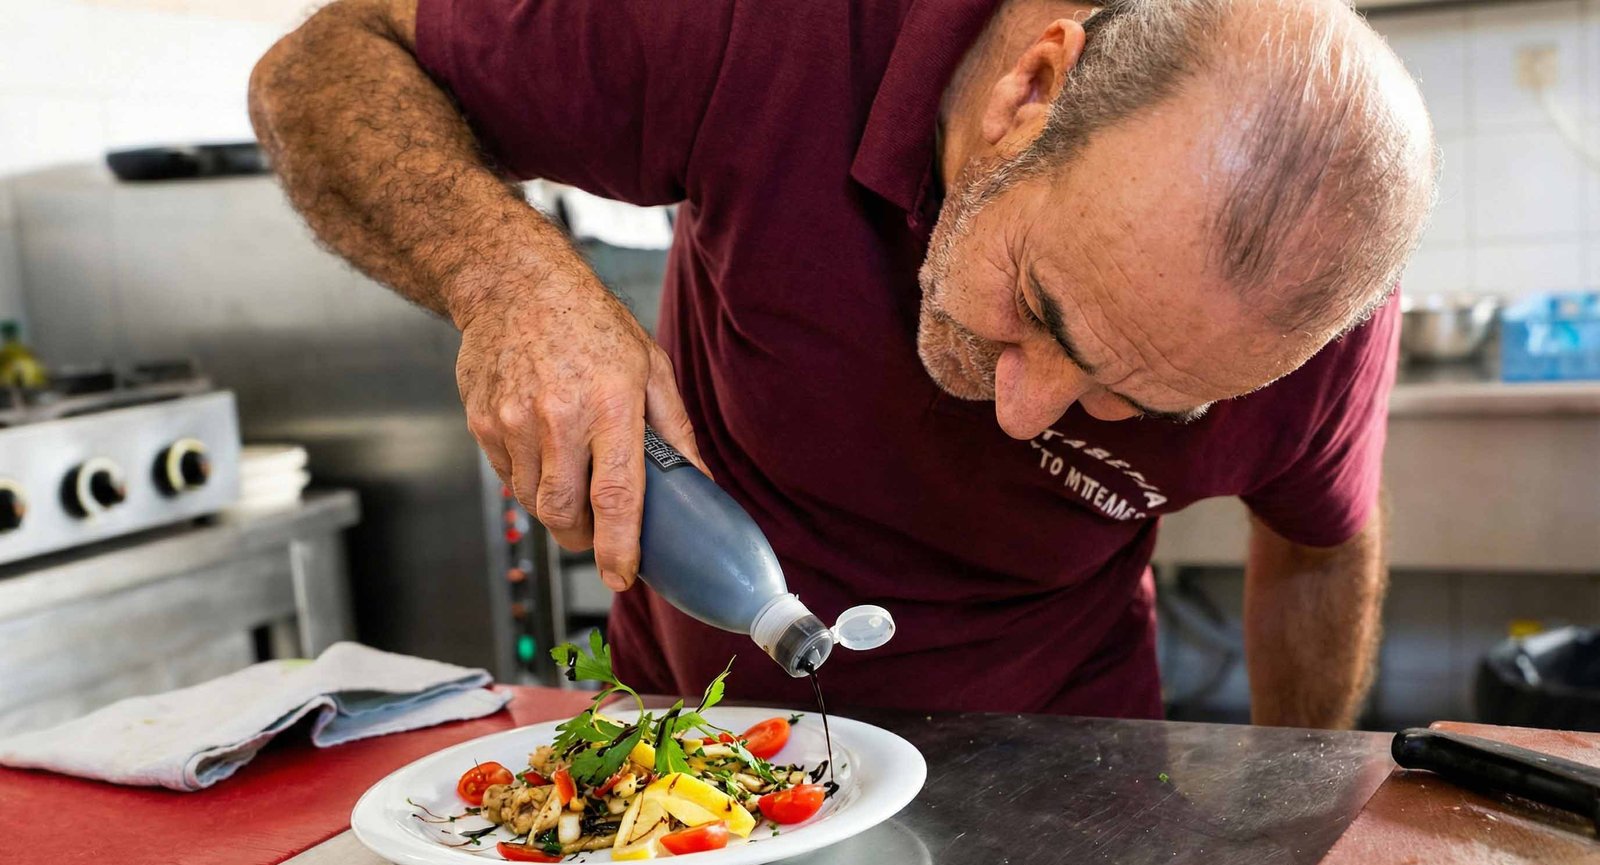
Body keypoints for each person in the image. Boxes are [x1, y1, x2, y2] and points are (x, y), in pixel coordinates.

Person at [250, 0, 1436, 727]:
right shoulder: (774, 26)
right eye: (1039, 308)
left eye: (1128, 403)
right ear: (1031, 87)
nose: (1023, 415)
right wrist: (511, 277)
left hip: (1064, 770)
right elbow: (321, 63)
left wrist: (1304, 793)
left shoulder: (1307, 329)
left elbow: (1322, 542)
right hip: (695, 737)